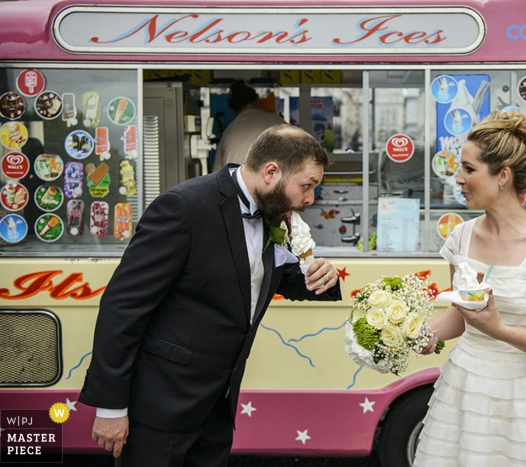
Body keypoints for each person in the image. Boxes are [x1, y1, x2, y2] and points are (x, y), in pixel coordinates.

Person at [79, 124, 342, 466]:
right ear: (271, 172)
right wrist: (111, 406)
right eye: (307, 186)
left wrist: (324, 277)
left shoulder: (274, 213)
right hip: (160, 409)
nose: (310, 199)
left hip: (218, 406)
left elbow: (271, 278)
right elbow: (123, 307)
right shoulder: (184, 207)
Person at [415, 112, 526, 466]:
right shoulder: (461, 237)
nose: (459, 178)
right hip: (466, 391)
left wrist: (499, 330)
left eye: (468, 169)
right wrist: (422, 334)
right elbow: (460, 312)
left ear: (502, 176)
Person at [212, 80, 286, 171]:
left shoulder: (229, 130)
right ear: (256, 101)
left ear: (234, 109)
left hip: (235, 182)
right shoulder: (277, 121)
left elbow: (217, 173)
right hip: (272, 179)